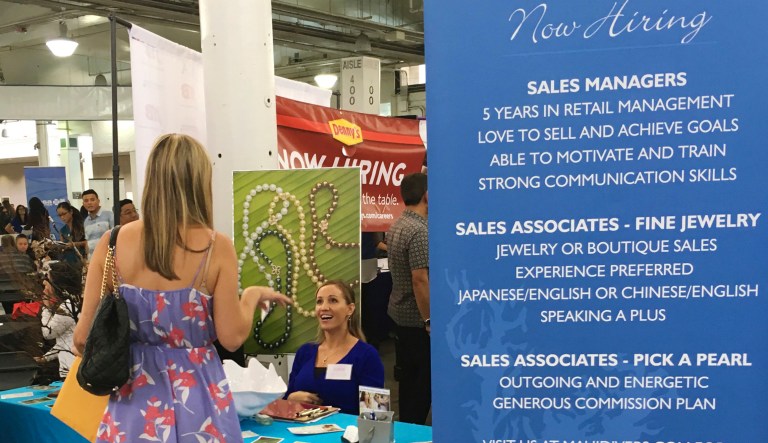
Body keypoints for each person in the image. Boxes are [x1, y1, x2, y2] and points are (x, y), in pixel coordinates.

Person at [73, 133, 291, 443]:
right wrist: (253, 295)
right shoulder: (217, 248)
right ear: (200, 181)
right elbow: (231, 338)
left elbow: (82, 339)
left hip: (135, 407)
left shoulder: (112, 242)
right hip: (200, 404)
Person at [285, 280, 385, 415]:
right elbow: (286, 400)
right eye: (319, 301)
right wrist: (291, 399)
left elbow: (375, 414)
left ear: (350, 309)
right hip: (299, 433)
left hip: (346, 434)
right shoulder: (304, 352)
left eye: (333, 300)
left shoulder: (367, 356)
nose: (324, 307)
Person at [386, 172, 431, 424]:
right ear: (427, 195)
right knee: (420, 384)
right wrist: (429, 319)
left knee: (408, 383)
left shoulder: (398, 224)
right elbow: (420, 279)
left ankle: (407, 429)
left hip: (399, 313)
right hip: (416, 320)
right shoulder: (419, 231)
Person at [36, 261, 82, 378]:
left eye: (47, 285)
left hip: (71, 369)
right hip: (71, 366)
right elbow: (66, 342)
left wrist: (46, 307)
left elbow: (48, 333)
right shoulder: (74, 302)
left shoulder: (68, 306)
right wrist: (45, 358)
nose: (44, 290)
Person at [82, 189, 114, 258]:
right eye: (86, 201)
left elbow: (115, 237)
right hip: (92, 260)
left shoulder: (109, 215)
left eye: (92, 200)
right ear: (83, 204)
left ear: (98, 201)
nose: (89, 203)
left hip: (108, 259)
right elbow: (87, 242)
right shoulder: (86, 221)